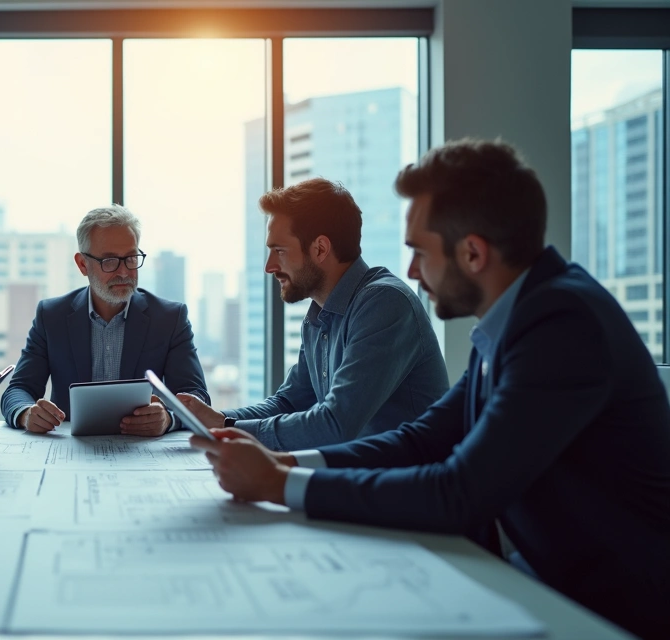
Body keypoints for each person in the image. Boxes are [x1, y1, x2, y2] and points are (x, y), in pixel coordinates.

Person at [191, 139, 670, 639]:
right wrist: (284, 465)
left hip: (607, 609)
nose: (414, 272)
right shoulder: (517, 320)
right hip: (544, 578)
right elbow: (424, 439)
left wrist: (278, 485)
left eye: (420, 252)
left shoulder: (562, 324)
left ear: (473, 252)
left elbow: (460, 490)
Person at [179, 178, 447, 450]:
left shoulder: (385, 304)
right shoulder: (320, 316)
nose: (269, 267)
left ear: (320, 249)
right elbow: (290, 401)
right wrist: (219, 418)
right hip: (357, 479)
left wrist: (229, 429)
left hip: (400, 485)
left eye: (279, 251)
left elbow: (334, 424)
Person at [0, 205, 209, 436]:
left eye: (130, 258)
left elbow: (196, 395)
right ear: (82, 264)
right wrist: (26, 413)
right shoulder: (51, 316)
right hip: (69, 452)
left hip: (142, 453)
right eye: (109, 261)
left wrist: (169, 419)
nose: (124, 272)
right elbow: (18, 389)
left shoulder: (169, 318)